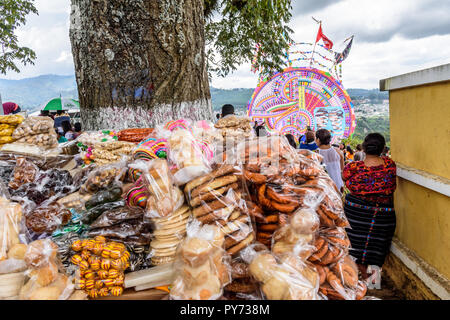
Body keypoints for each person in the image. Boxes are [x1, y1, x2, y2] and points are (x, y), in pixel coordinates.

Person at [342, 133, 397, 284]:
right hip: (382, 218)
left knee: (357, 250)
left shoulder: (352, 168)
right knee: (375, 252)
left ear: (364, 148)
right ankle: (374, 284)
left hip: (357, 216)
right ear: (382, 148)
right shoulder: (389, 165)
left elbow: (345, 178)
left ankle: (362, 286)